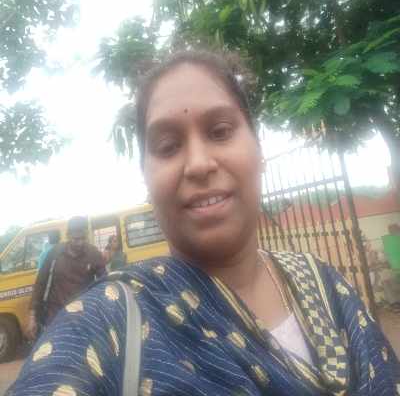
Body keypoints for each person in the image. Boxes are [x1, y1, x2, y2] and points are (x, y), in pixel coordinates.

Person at [8, 51, 400, 395]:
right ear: (146, 178)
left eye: (220, 132)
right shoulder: (106, 325)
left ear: (258, 148)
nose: (198, 164)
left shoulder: (325, 285)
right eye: (168, 147)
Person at [27, 216, 106, 339]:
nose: (80, 243)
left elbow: (104, 283)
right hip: (55, 317)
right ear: (68, 236)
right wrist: (32, 317)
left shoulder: (93, 253)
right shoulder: (55, 253)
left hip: (82, 317)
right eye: (75, 239)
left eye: (83, 238)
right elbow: (40, 284)